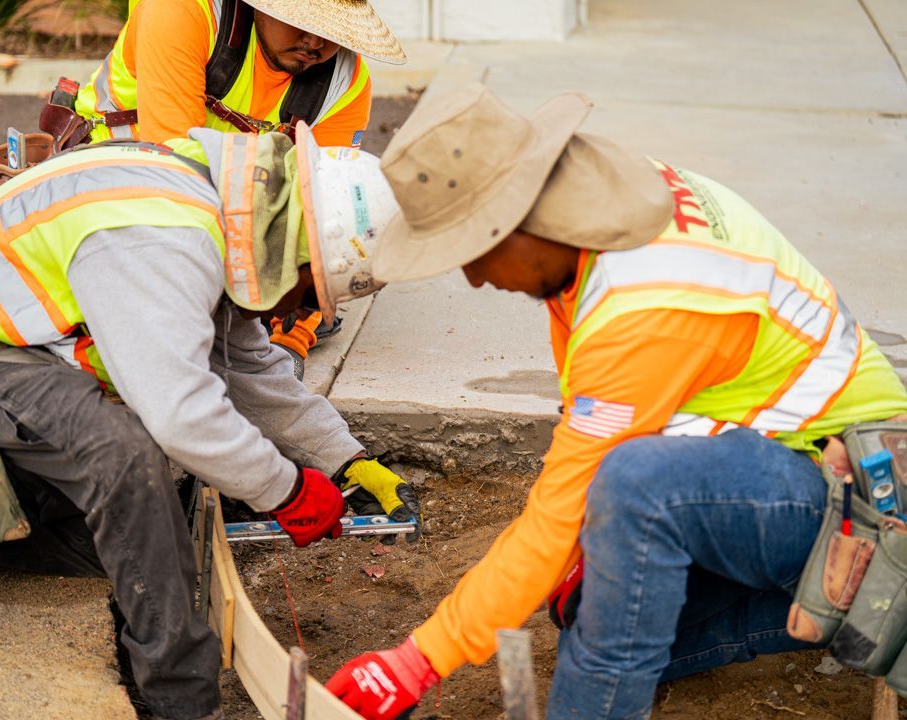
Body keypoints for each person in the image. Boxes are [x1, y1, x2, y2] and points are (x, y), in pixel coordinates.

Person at [324, 84, 907, 719]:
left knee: (635, 492)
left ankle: (872, 594)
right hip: (793, 466)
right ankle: (836, 607)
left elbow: (569, 502)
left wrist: (419, 660)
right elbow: (588, 433)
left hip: (861, 498)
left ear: (518, 220)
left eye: (470, 251)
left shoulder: (646, 306)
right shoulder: (596, 221)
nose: (474, 278)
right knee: (595, 607)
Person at [0, 125, 419, 720]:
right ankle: (180, 701)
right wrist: (286, 488)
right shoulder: (163, 235)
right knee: (127, 455)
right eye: (311, 290)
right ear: (299, 251)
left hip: (9, 360)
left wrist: (343, 458)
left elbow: (247, 366)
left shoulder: (223, 210)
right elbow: (180, 412)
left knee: (153, 542)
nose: (303, 310)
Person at [71, 0, 407, 371]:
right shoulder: (181, 10)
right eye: (301, 20)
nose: (314, 41)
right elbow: (173, 179)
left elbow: (328, 215)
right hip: (119, 190)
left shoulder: (345, 81)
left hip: (228, 213)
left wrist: (293, 335)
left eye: (332, 30)